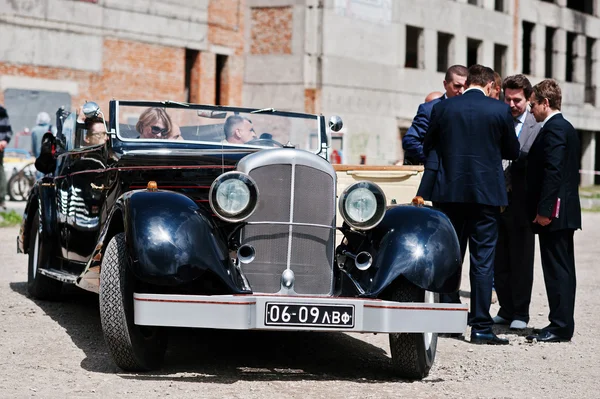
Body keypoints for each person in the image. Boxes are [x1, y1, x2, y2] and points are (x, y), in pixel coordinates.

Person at [423, 64, 520, 345]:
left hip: (449, 193)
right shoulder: (498, 110)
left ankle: (450, 321)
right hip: (486, 196)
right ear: (489, 85)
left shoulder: (444, 108)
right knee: (483, 262)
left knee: (451, 257)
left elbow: (429, 144)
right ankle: (480, 327)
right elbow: (512, 151)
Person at [525, 79, 581, 343]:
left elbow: (553, 172)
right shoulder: (560, 127)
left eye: (533, 104)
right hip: (559, 212)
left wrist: (545, 210)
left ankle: (560, 326)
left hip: (556, 213)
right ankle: (559, 322)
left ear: (545, 104)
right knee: (560, 268)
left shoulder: (556, 128)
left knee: (558, 269)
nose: (530, 109)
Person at [492, 75, 541, 330]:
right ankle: (505, 308)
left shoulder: (536, 126)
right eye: (508, 99)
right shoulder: (500, 121)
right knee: (500, 260)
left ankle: (521, 311)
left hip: (522, 202)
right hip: (498, 200)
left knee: (521, 259)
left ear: (529, 98)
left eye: (517, 100)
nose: (512, 104)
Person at [402, 65, 468, 165]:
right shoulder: (429, 109)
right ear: (445, 84)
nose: (462, 91)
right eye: (457, 86)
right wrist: (434, 161)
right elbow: (410, 141)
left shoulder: (471, 109)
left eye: (465, 87)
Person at [0, 105, 13, 209]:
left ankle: (1, 198)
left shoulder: (2, 112)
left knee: (1, 171)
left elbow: (9, 131)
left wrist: (4, 141)